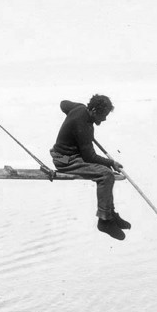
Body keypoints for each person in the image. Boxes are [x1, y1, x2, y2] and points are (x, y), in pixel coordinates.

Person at [50, 95, 131, 240]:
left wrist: (72, 118)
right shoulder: (84, 126)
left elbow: (63, 104)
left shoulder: (79, 107)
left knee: (107, 173)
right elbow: (89, 157)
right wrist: (111, 163)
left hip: (66, 155)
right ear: (93, 110)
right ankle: (104, 221)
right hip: (65, 160)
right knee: (106, 174)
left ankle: (110, 214)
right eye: (103, 115)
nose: (104, 119)